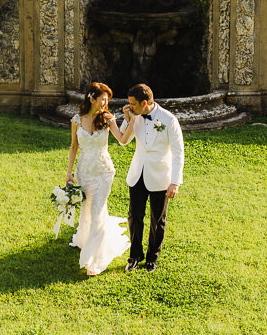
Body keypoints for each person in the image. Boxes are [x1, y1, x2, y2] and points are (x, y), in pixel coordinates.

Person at [65, 82, 134, 276]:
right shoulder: (77, 120)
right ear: (92, 99)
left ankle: (95, 260)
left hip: (104, 171)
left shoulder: (108, 119)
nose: (105, 102)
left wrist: (130, 121)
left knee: (96, 211)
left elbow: (122, 140)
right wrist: (69, 172)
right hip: (84, 171)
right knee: (88, 209)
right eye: (102, 98)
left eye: (107, 99)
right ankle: (87, 239)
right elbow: (73, 147)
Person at [121, 83, 184, 273]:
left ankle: (151, 258)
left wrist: (175, 182)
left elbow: (178, 153)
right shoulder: (135, 116)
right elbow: (125, 139)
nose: (129, 106)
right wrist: (127, 119)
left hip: (160, 176)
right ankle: (135, 256)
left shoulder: (168, 119)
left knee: (158, 220)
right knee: (134, 216)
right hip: (137, 174)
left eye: (132, 104)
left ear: (145, 103)